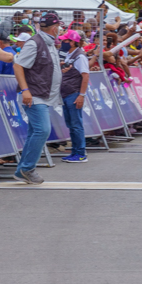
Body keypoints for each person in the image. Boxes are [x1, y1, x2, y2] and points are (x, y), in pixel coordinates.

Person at [12, 15, 62, 184]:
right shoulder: (35, 43)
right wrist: (25, 90)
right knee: (42, 130)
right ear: (54, 27)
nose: (60, 29)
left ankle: (22, 170)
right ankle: (27, 168)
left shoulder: (49, 43)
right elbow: (18, 65)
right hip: (34, 95)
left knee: (35, 132)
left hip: (42, 95)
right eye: (59, 26)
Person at [58, 29, 89, 163]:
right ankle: (75, 151)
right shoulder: (71, 55)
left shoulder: (80, 56)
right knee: (71, 124)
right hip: (67, 93)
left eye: (65, 40)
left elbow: (85, 75)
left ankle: (80, 153)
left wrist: (81, 95)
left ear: (72, 42)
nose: (62, 42)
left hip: (73, 93)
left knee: (76, 124)